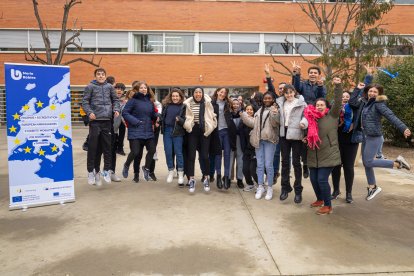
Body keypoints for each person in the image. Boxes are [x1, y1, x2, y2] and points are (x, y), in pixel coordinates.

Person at [348, 82, 411, 201]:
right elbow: (352, 103)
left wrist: (403, 128)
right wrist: (358, 89)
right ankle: (372, 187)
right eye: (370, 91)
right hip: (365, 135)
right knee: (367, 164)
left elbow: (390, 115)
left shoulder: (378, 104)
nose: (372, 93)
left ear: (379, 94)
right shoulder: (365, 102)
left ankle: (398, 163)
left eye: (375, 92)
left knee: (368, 162)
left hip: (374, 136)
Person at [304, 77, 342, 215]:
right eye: (317, 105)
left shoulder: (332, 116)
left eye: (322, 104)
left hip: (329, 153)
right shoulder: (312, 118)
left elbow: (338, 102)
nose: (319, 106)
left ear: (326, 106)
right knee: (314, 179)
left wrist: (338, 86)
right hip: (313, 153)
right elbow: (309, 132)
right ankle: (320, 199)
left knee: (321, 179)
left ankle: (328, 205)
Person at [82, 68, 120, 186]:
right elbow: (85, 102)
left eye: (102, 74)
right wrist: (89, 113)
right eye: (98, 74)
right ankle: (90, 172)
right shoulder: (90, 87)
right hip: (95, 121)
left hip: (107, 121)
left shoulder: (110, 87)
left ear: (105, 76)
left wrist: (116, 109)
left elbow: (116, 100)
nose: (101, 76)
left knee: (107, 147)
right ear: (95, 76)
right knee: (93, 147)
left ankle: (106, 170)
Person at [240, 92, 280, 200]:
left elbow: (275, 123)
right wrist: (243, 114)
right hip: (258, 141)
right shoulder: (259, 110)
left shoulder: (275, 109)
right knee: (260, 165)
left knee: (268, 165)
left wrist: (274, 112)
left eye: (269, 98)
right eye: (265, 98)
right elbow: (254, 123)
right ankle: (260, 186)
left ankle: (270, 187)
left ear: (273, 99)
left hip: (269, 140)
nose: (267, 100)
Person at [292, 63, 327, 179]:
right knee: (304, 140)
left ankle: (312, 164)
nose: (313, 74)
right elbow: (296, 88)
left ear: (318, 75)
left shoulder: (321, 85)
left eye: (315, 73)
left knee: (313, 140)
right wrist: (297, 74)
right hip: (304, 114)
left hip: (316, 115)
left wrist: (321, 86)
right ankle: (305, 164)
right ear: (308, 74)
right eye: (311, 72)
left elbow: (322, 98)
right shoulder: (303, 84)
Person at [180, 87, 217, 193]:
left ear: (202, 93)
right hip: (192, 131)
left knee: (205, 156)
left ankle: (206, 178)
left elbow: (212, 116)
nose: (198, 94)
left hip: (204, 131)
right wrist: (187, 126)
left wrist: (212, 126)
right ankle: (191, 179)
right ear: (193, 94)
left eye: (200, 92)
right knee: (191, 156)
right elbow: (185, 117)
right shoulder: (188, 103)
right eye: (196, 92)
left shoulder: (207, 102)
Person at [276, 84, 308, 204]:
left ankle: (298, 191)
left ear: (294, 92)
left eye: (291, 92)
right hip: (284, 134)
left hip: (296, 134)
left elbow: (306, 117)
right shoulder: (280, 103)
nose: (289, 95)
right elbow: (278, 119)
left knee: (296, 163)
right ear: (283, 94)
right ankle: (285, 188)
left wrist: (303, 123)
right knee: (284, 162)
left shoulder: (301, 103)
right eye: (286, 93)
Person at [122, 81, 158, 182]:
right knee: (135, 152)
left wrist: (157, 116)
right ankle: (127, 165)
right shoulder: (133, 100)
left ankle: (146, 168)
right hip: (135, 131)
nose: (143, 89)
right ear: (137, 89)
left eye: (145, 88)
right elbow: (125, 113)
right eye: (141, 88)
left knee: (152, 150)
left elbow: (151, 115)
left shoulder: (149, 102)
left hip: (148, 131)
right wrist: (136, 121)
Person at [211, 87, 237, 190]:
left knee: (227, 155)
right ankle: (218, 176)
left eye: (225, 93)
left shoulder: (228, 103)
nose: (223, 94)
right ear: (217, 92)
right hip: (217, 132)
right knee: (218, 155)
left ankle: (226, 177)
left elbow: (236, 111)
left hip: (227, 132)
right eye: (221, 92)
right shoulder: (212, 103)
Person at [161, 88, 186, 186]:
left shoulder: (183, 106)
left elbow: (186, 120)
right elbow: (163, 117)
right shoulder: (166, 105)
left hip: (178, 131)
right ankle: (171, 170)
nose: (175, 98)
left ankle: (180, 173)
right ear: (170, 97)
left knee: (178, 153)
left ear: (180, 97)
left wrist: (180, 119)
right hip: (167, 130)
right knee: (168, 152)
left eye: (177, 96)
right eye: (173, 96)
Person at [240, 104, 258, 192]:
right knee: (245, 169)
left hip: (255, 149)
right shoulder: (242, 121)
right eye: (247, 109)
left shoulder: (256, 121)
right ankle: (250, 184)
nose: (249, 111)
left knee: (253, 169)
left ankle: (260, 185)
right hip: (246, 149)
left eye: (251, 109)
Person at [230, 98, 245, 189]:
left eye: (237, 104)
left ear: (240, 105)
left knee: (240, 159)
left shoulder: (243, 114)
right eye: (233, 104)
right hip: (231, 139)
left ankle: (240, 179)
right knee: (230, 159)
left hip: (240, 139)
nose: (235, 105)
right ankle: (228, 178)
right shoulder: (228, 114)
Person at [114, 82, 127, 156]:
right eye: (118, 89)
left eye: (121, 90)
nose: (119, 91)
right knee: (114, 133)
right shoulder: (111, 98)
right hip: (113, 119)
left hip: (122, 119)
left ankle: (120, 148)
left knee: (122, 134)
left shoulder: (124, 100)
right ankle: (114, 147)